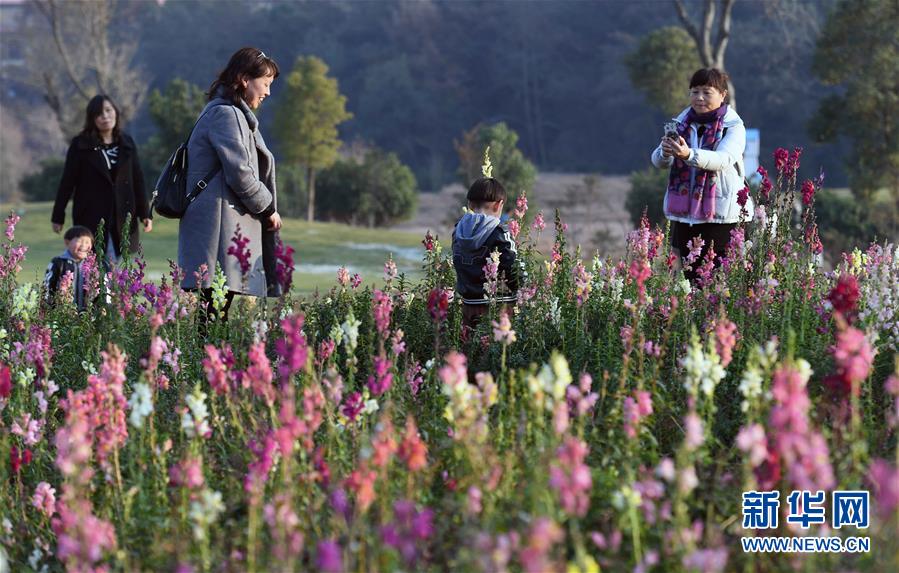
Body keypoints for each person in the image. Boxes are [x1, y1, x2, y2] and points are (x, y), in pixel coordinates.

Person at [178, 47, 283, 328]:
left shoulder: (227, 112)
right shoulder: (227, 115)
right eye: (266, 84)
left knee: (214, 315)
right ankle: (207, 371)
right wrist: (268, 207)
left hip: (220, 227)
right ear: (245, 79)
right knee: (213, 317)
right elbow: (241, 173)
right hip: (219, 230)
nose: (268, 92)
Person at [651, 68, 752, 281]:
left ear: (723, 95)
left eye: (707, 92)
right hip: (686, 215)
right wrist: (665, 152)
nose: (699, 98)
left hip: (723, 218)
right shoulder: (681, 124)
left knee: (720, 281)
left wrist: (688, 154)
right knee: (688, 281)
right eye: (695, 92)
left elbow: (723, 159)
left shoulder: (733, 127)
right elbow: (659, 161)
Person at [52, 95, 152, 264]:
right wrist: (58, 216)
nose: (105, 116)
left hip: (123, 214)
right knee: (99, 261)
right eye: (99, 113)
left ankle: (107, 289)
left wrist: (145, 213)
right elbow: (67, 182)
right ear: (92, 119)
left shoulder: (127, 143)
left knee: (117, 261)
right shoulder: (80, 145)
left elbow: (138, 179)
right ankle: (104, 290)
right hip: (91, 214)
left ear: (116, 113)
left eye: (108, 110)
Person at [452, 177, 518, 334]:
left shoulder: (457, 232)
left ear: (469, 204)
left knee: (469, 350)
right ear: (498, 204)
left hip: (467, 306)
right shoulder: (500, 233)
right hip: (498, 308)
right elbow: (514, 269)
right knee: (496, 354)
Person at [43, 225, 95, 311]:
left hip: (88, 315)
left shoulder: (93, 265)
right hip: (63, 313)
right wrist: (47, 307)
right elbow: (47, 287)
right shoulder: (58, 262)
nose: (84, 245)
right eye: (80, 241)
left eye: (87, 242)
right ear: (67, 242)